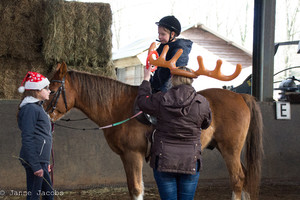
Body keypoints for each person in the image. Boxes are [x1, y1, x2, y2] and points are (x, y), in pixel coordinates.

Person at [137, 66, 212, 200]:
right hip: (190, 161)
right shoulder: (202, 102)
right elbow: (206, 124)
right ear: (191, 81)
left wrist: (146, 79)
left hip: (163, 160)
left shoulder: (160, 98)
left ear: (172, 79)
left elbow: (142, 102)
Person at [17, 71, 53, 200]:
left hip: (40, 160)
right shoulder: (30, 109)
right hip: (35, 160)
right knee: (34, 195)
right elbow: (28, 137)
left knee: (48, 194)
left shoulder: (37, 108)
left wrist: (45, 161)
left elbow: (42, 135)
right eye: (46, 88)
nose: (49, 91)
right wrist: (36, 165)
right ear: (37, 91)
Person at [150, 15, 193, 93]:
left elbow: (176, 76)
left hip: (171, 91)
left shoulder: (179, 50)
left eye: (163, 34)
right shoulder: (162, 47)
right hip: (158, 88)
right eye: (159, 34)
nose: (159, 37)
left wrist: (163, 92)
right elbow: (158, 71)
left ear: (172, 34)